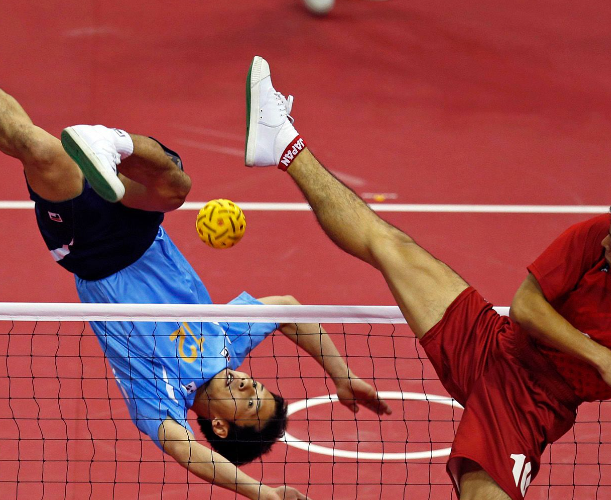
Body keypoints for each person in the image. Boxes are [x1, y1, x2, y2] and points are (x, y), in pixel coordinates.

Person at [241, 56, 611, 500]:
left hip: (530, 402)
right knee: (390, 245)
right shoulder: (601, 232)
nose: (605, 239)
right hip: (493, 341)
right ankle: (283, 143)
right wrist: (602, 359)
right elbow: (526, 306)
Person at [0, 88, 391, 500]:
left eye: (252, 405)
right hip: (143, 227)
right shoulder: (228, 343)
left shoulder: (159, 398)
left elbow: (187, 452)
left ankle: (97, 150)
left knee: (39, 148)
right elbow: (288, 310)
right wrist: (342, 376)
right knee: (175, 185)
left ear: (220, 427)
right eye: (258, 388)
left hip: (90, 250)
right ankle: (108, 142)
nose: (248, 385)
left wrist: (261, 493)